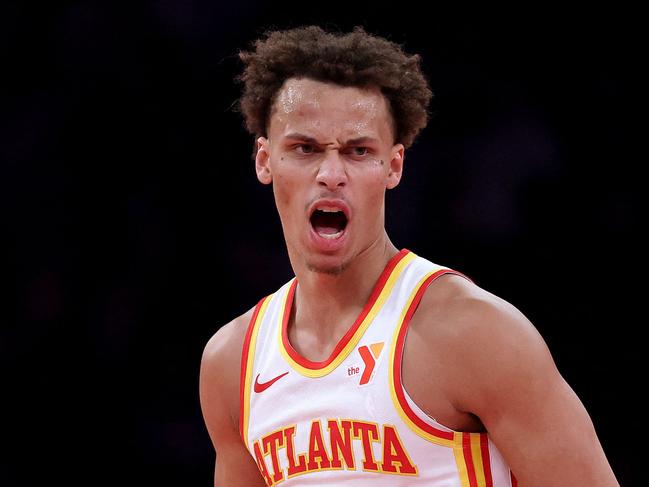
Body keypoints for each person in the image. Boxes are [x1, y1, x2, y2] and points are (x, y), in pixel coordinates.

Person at [199, 25, 619, 486]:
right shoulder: (232, 363)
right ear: (264, 160)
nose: (332, 174)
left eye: (358, 151)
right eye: (305, 149)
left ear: (393, 166)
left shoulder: (474, 333)